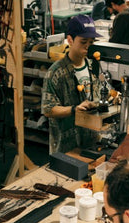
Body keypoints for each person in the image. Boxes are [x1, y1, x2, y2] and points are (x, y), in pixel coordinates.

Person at [42, 15, 102, 154]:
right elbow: (48, 109)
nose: (88, 46)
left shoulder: (93, 65)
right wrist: (74, 109)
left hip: (91, 140)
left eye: (91, 42)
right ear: (70, 40)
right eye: (83, 41)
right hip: (66, 146)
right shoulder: (56, 72)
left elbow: (98, 92)